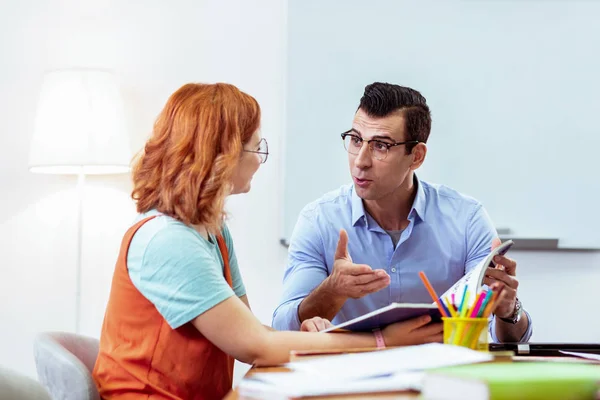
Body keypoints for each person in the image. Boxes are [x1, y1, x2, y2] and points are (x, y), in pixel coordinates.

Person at [92, 83, 443, 400]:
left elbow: (253, 332)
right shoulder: (167, 241)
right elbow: (256, 347)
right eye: (254, 146)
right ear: (223, 153)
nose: (260, 160)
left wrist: (318, 336)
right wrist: (383, 343)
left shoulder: (212, 231)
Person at [272, 82, 532, 343]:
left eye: (381, 146)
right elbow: (282, 329)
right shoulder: (319, 220)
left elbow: (504, 341)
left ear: (416, 156)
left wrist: (509, 311)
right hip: (351, 376)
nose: (361, 161)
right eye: (355, 139)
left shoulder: (467, 219)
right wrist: (333, 290)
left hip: (442, 376)